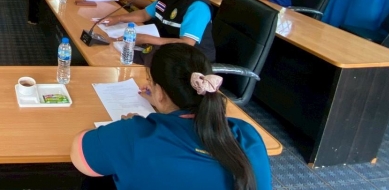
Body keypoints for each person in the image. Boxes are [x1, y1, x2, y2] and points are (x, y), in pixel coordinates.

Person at [71, 43, 271, 190]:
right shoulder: (246, 134)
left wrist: (129, 126)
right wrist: (162, 104)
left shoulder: (135, 134)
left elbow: (79, 155)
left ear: (159, 92)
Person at [105, 0, 215, 63]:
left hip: (192, 60)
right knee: (118, 52)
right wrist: (118, 18)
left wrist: (146, 39)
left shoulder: (197, 6)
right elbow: (144, 14)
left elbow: (186, 43)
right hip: (167, 50)